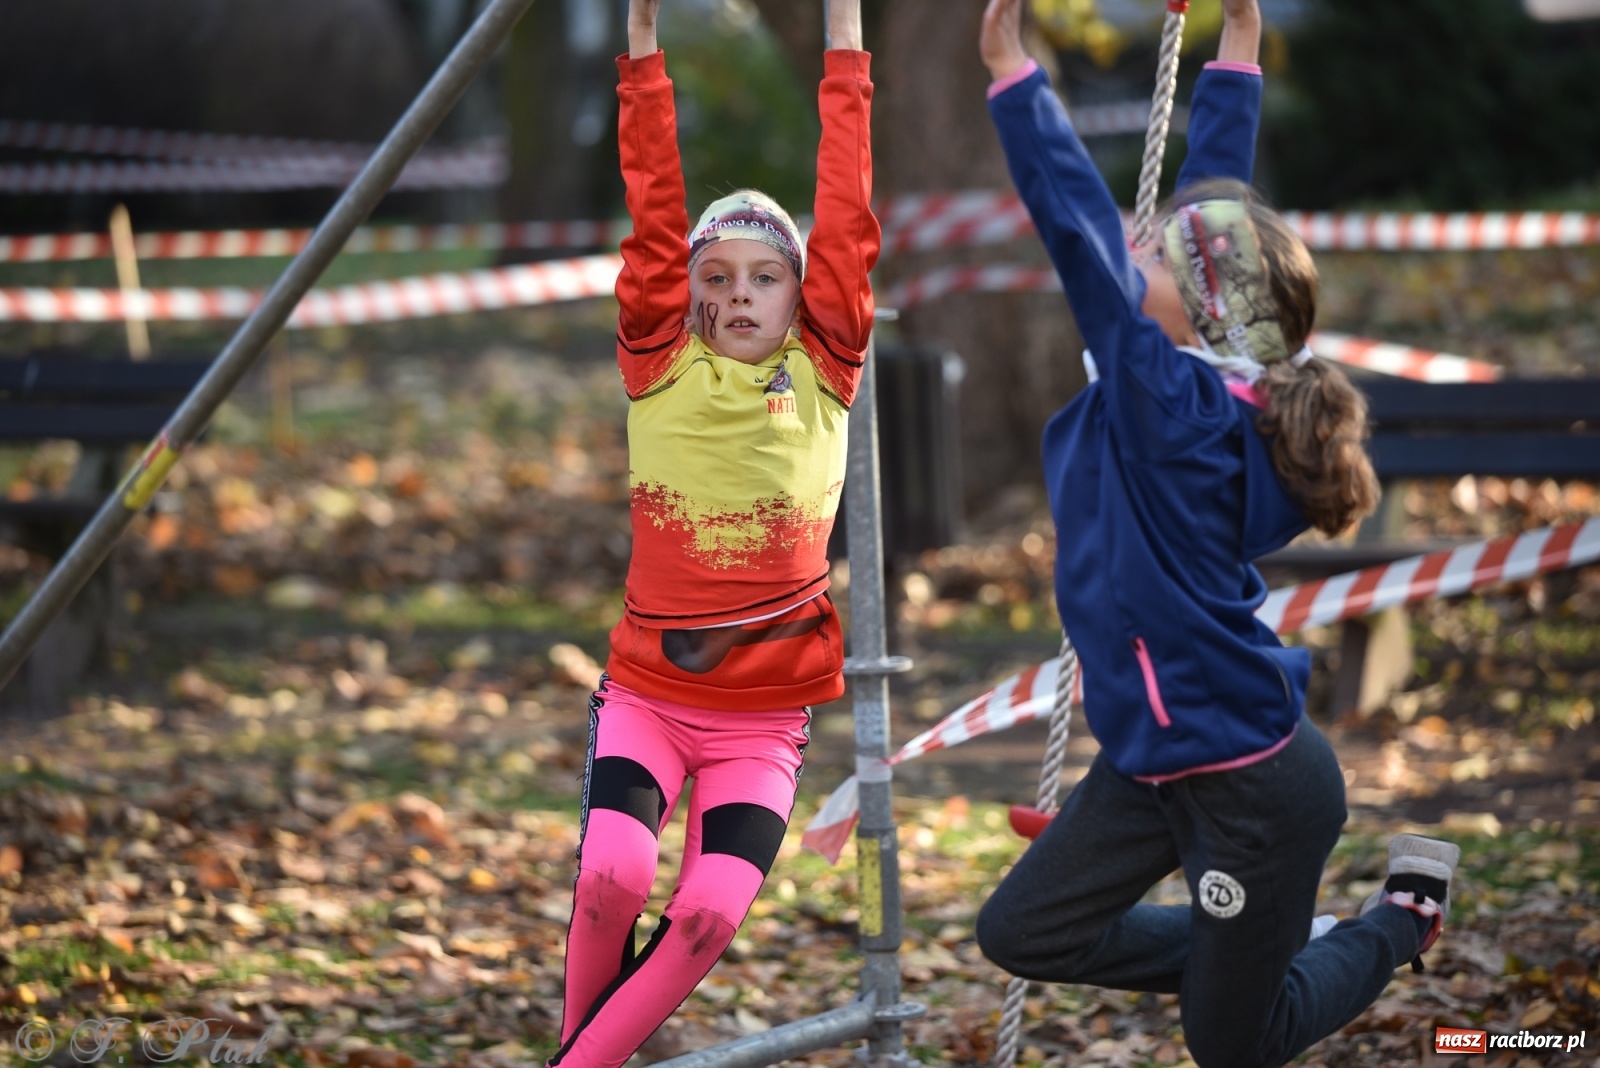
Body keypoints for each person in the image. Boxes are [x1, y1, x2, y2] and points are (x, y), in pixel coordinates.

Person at [971, 2, 1460, 1066]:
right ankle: (1252, 942)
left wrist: (1014, 74)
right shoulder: (1196, 379)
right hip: (1154, 760)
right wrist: (1237, 44)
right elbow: (1217, 211)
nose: (1135, 242)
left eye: (1157, 257)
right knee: (1019, 932)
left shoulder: (1168, 412)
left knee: (1235, 1044)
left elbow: (1071, 225)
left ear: (1193, 315)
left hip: (1250, 784)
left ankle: (1395, 922)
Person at [547, 1, 878, 1065]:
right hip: (648, 693)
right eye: (717, 277)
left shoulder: (826, 371)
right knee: (608, 879)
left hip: (762, 718)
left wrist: (844, 33)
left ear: (802, 297)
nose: (741, 293)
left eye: (765, 276)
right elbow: (653, 204)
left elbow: (845, 198)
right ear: (685, 297)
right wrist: (640, 44)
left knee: (703, 918)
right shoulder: (658, 360)